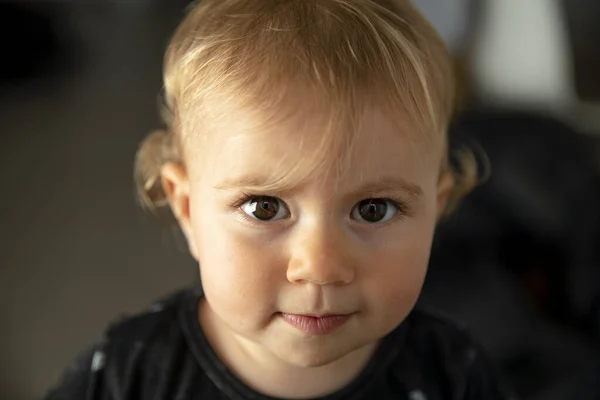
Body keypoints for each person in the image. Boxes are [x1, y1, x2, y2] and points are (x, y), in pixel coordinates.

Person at [45, 0, 514, 399]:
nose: (320, 265)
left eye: (373, 209)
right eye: (264, 207)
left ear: (436, 208)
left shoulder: (455, 375)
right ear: (187, 210)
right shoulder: (127, 377)